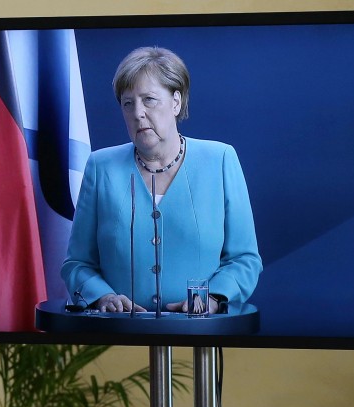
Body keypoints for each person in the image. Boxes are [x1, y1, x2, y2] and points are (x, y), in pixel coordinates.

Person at [62, 47, 261, 314]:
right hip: (119, 337)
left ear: (176, 102)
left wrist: (213, 298)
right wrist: (103, 296)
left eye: (149, 100)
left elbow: (244, 259)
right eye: (128, 103)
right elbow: (77, 263)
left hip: (198, 335)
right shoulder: (101, 167)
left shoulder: (221, 160)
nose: (138, 113)